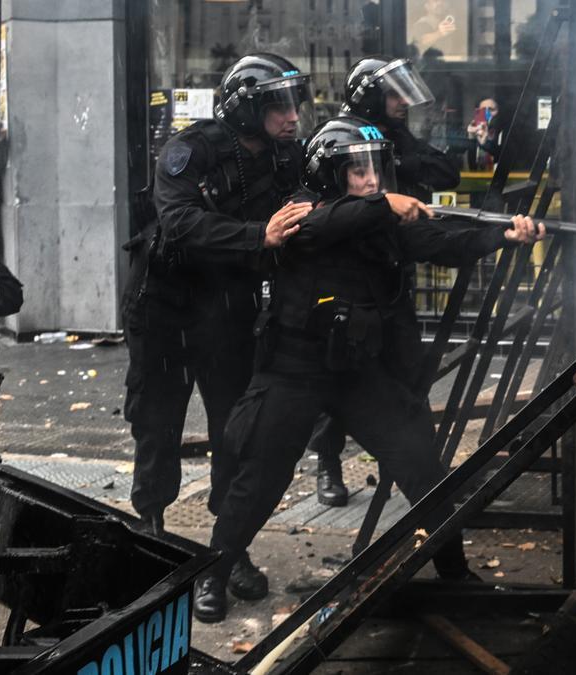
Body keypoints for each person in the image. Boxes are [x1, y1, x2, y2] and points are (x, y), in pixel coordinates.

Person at [192, 116, 545, 622]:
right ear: (331, 175)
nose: (370, 180)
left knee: (420, 463)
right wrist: (381, 206)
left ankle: (455, 572)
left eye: (375, 169)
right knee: (260, 479)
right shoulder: (300, 213)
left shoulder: (379, 223)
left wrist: (504, 236)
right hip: (293, 371)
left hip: (354, 372)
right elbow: (322, 226)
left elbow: (439, 241)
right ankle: (214, 573)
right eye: (356, 171)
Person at [121, 54, 314, 603]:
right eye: (277, 104)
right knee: (157, 420)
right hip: (165, 308)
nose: (291, 115)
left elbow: (317, 199)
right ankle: (151, 537)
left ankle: (228, 554)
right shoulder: (192, 148)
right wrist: (259, 237)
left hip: (228, 311)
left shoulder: (286, 157)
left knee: (236, 428)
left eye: (293, 102)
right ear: (248, 107)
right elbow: (178, 222)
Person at [305, 55, 462, 508]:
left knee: (408, 373)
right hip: (347, 281)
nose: (400, 102)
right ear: (369, 95)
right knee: (346, 373)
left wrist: (403, 155)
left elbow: (444, 171)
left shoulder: (395, 137)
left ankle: (420, 471)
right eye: (391, 93)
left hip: (392, 270)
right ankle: (327, 464)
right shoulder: (338, 139)